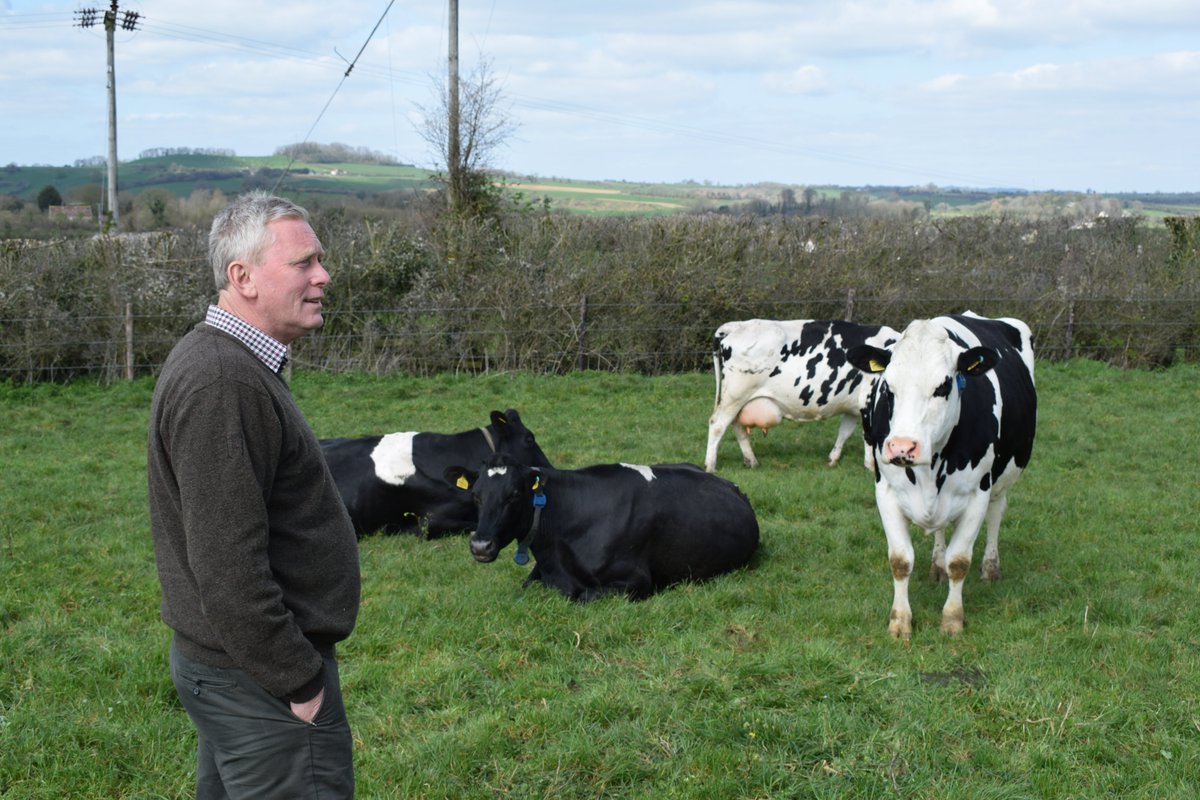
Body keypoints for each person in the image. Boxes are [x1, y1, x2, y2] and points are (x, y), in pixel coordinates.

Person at [147, 191, 360, 798]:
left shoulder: (232, 363)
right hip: (260, 679)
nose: (323, 275)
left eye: (320, 260)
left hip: (237, 669)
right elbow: (226, 564)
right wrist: (299, 681)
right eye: (304, 264)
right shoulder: (223, 381)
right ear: (242, 277)